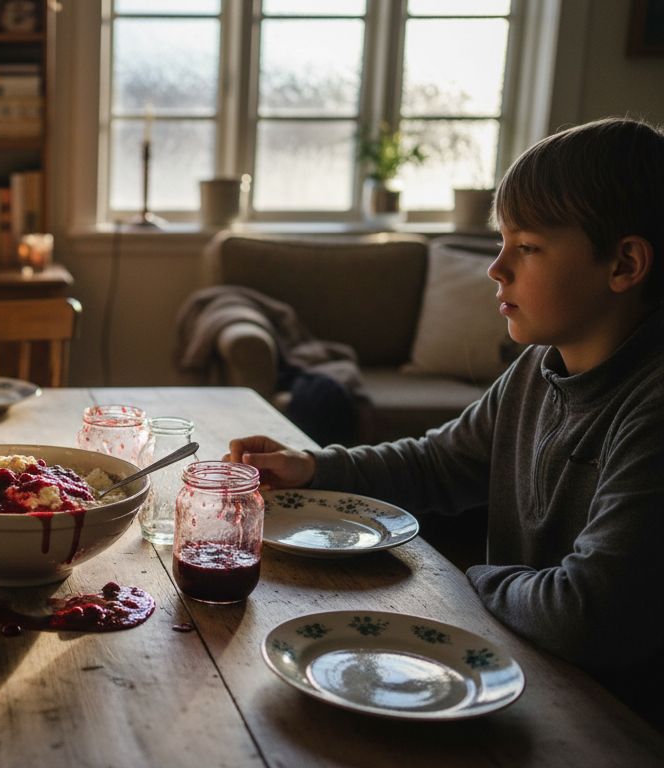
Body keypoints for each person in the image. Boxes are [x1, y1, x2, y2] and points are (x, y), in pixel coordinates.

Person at [226, 116, 664, 725]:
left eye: (528, 247)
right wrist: (313, 466)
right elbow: (439, 463)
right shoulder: (538, 367)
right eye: (503, 241)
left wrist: (473, 581)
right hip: (527, 669)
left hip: (612, 722)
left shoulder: (651, 406)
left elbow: (586, 614)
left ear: (624, 265)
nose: (497, 267)